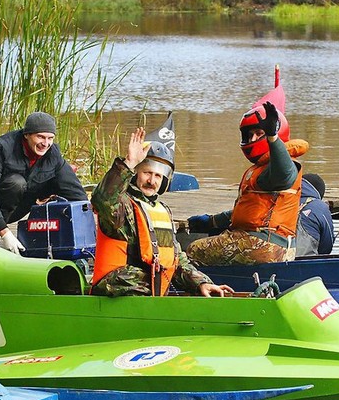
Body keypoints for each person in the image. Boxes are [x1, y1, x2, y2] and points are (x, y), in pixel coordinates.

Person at [90, 127, 233, 298]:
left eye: (158, 176)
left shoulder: (162, 211)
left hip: (151, 295)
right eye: (147, 173)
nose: (152, 181)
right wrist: (129, 163)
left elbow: (176, 260)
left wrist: (201, 283)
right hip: (115, 292)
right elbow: (102, 199)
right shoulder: (121, 205)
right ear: (135, 174)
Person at [185, 98, 304, 266]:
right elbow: (248, 211)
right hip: (274, 246)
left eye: (259, 133)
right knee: (217, 243)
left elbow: (284, 175)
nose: (252, 139)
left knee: (193, 250)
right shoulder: (262, 168)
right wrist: (212, 221)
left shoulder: (281, 166)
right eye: (249, 135)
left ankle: (200, 282)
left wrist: (272, 137)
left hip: (262, 243)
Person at [0, 111, 87, 254]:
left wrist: (90, 218)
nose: (45, 143)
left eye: (50, 138)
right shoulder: (0, 149)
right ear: (26, 135)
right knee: (16, 183)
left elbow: (74, 191)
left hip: (22, 206)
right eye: (40, 137)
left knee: (61, 184)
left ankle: (59, 245)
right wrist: (5, 233)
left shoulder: (53, 153)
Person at [296, 173, 335, 256]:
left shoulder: (284, 200)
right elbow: (327, 245)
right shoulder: (320, 206)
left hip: (276, 258)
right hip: (305, 261)